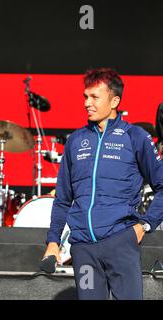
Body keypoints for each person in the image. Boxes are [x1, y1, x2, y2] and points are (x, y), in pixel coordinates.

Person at [44, 67, 163, 300]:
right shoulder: (75, 141)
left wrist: (144, 226)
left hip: (121, 242)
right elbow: (62, 200)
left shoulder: (135, 137)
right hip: (83, 249)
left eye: (95, 97)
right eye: (85, 97)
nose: (87, 103)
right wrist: (52, 241)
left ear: (114, 100)